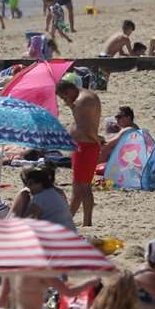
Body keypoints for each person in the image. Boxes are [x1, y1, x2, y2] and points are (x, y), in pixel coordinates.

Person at [57, 77, 101, 227]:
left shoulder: (81, 101)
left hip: (86, 146)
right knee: (77, 186)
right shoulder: (83, 96)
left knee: (83, 186)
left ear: (69, 91)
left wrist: (97, 140)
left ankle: (87, 222)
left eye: (64, 97)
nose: (64, 101)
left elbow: (86, 128)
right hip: (82, 146)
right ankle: (67, 220)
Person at [9, 164, 76, 230]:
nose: (28, 186)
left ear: (40, 183)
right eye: (27, 183)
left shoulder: (39, 197)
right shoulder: (55, 192)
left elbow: (31, 219)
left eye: (31, 184)